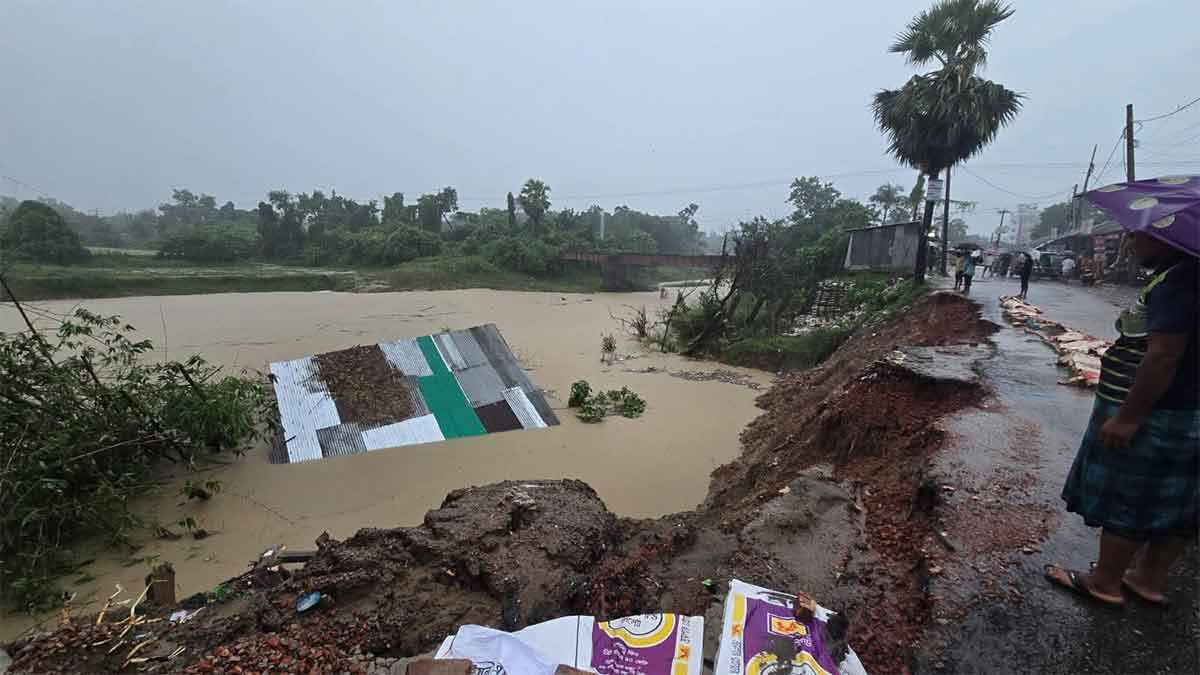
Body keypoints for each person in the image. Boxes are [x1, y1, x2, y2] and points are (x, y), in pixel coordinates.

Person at [1045, 233, 1198, 607]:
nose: (1130, 243)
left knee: (1129, 494)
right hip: (1191, 411)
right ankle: (1147, 578)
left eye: (1139, 236)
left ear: (1167, 238)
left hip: (1159, 413)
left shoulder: (1178, 282)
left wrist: (1129, 417)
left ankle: (1105, 581)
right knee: (1181, 500)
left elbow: (1163, 357)